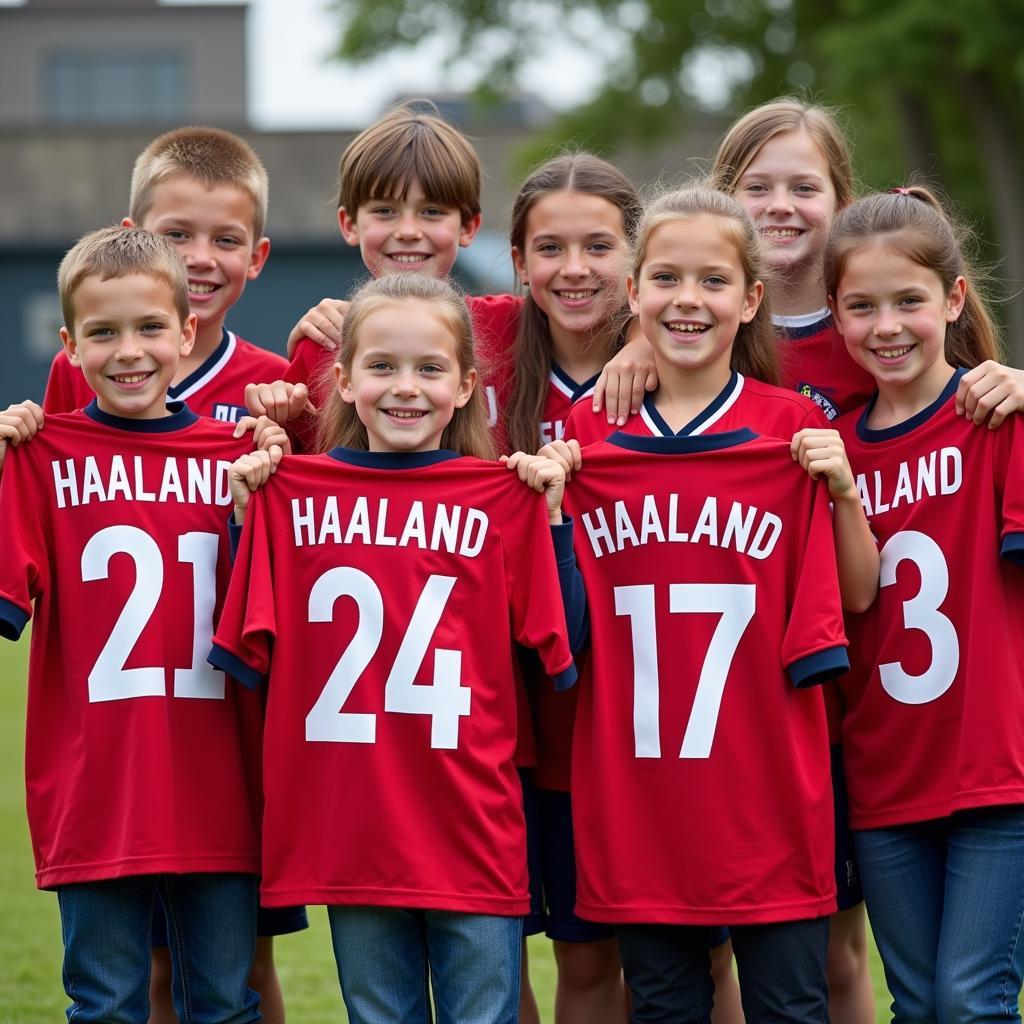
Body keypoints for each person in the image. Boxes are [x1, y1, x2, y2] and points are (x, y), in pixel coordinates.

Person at [209, 273, 577, 1024]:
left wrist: (557, 524)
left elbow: (560, 650)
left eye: (429, 369)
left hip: (471, 819)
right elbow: (245, 654)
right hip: (354, 827)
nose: (404, 388)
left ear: (469, 385)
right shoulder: (290, 494)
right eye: (381, 367)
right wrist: (247, 523)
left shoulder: (503, 497)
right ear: (341, 381)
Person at [535, 184, 851, 1024]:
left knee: (791, 1004)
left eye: (713, 281)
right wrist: (553, 513)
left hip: (767, 801)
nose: (687, 299)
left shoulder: (793, 439)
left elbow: (843, 607)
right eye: (665, 278)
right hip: (638, 804)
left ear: (752, 300)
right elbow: (556, 629)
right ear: (632, 293)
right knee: (662, 1007)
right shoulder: (583, 446)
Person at [36, 124, 302, 1023]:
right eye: (176, 235)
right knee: (128, 979)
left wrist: (293, 432)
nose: (199, 257)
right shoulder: (76, 389)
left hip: (233, 741)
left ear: (258, 255)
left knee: (237, 972)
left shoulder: (277, 389)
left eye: (224, 239)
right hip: (117, 745)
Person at [828, 186, 1024, 1024]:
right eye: (861, 306)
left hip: (995, 769)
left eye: (909, 301)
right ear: (832, 316)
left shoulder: (996, 418)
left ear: (952, 299)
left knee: (970, 1001)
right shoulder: (831, 449)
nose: (887, 326)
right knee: (916, 1005)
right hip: (884, 772)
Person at [506, 152, 641, 1024]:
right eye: (549, 248)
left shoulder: (692, 361)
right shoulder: (481, 358)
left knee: (684, 965)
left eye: (599, 246)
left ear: (636, 256)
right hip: (530, 726)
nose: (575, 269)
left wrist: (649, 338)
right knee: (549, 963)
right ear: (517, 263)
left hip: (652, 722)